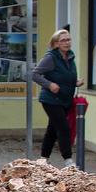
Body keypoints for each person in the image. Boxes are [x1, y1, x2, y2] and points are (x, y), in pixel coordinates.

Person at [32, 29, 78, 162]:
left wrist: (75, 82)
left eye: (68, 39)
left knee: (52, 129)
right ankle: (68, 160)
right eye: (63, 40)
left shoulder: (70, 57)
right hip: (51, 99)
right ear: (56, 43)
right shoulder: (51, 58)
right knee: (63, 128)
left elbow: (65, 76)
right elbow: (34, 74)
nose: (67, 43)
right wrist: (49, 84)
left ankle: (43, 159)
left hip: (65, 99)